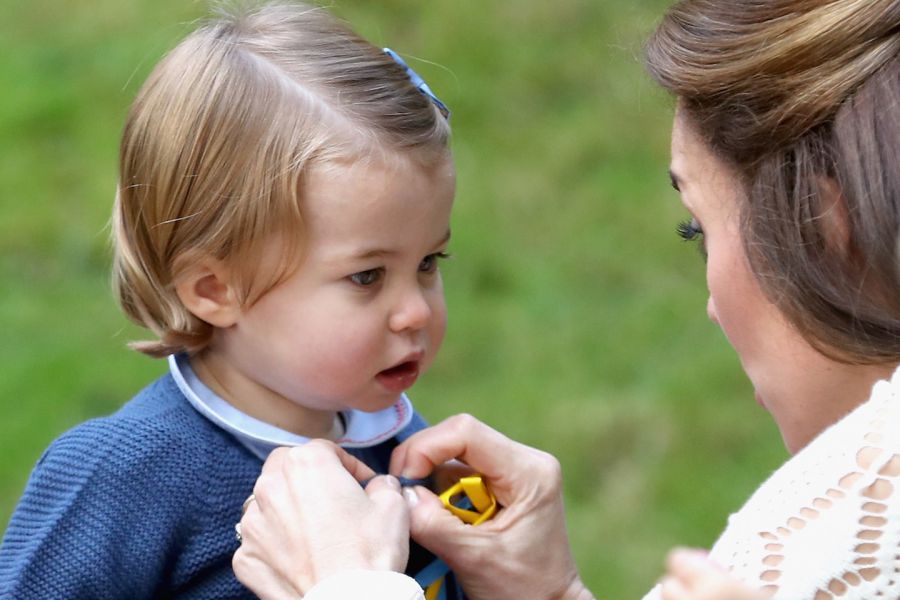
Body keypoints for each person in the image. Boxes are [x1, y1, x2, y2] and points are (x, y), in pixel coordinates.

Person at [231, 0, 900, 598]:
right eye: (367, 275)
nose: (710, 307)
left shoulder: (845, 537)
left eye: (700, 229)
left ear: (827, 223)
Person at [0, 1, 467, 597]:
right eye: (367, 276)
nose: (417, 311)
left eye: (428, 262)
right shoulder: (123, 476)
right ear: (215, 291)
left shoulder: (402, 446)